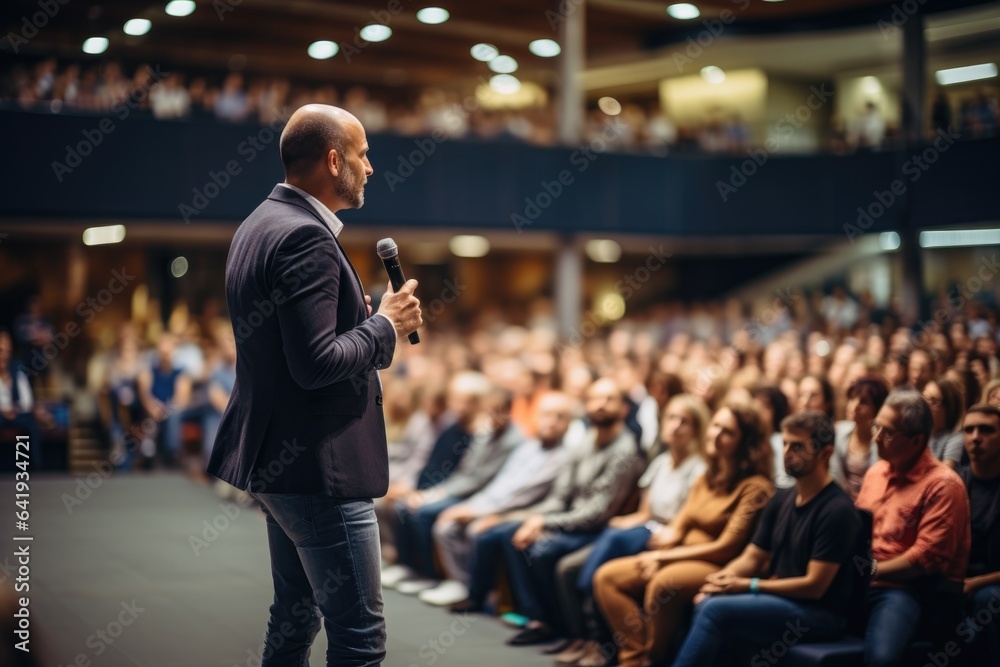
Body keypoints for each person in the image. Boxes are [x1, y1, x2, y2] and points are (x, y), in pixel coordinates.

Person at [207, 104, 423, 667]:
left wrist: (363, 322)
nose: (370, 167)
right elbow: (315, 363)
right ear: (334, 160)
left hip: (279, 456)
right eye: (362, 153)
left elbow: (292, 348)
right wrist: (386, 326)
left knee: (296, 616)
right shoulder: (306, 238)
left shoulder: (260, 222)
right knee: (359, 638)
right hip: (319, 469)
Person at [672, 412, 863, 665]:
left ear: (825, 454)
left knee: (715, 610)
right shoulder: (781, 498)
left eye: (797, 447)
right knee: (708, 600)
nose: (787, 452)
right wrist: (718, 582)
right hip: (782, 599)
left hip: (820, 613)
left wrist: (747, 585)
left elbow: (815, 586)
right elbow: (753, 556)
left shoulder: (837, 510)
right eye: (784, 444)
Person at [592, 401, 774, 667]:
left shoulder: (755, 487)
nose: (716, 435)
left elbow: (728, 547)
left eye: (728, 432)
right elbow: (682, 521)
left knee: (664, 582)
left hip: (717, 563)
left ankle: (656, 657)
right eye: (715, 426)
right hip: (682, 553)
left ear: (746, 442)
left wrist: (665, 558)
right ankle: (633, 656)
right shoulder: (707, 476)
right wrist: (666, 542)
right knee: (607, 577)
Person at [549, 394, 710, 666]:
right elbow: (645, 512)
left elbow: (685, 518)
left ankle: (599, 641)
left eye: (686, 422)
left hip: (666, 535)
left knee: (610, 547)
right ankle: (586, 635)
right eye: (672, 418)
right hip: (647, 526)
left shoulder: (699, 468)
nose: (676, 426)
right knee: (587, 553)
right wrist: (621, 521)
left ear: (696, 429)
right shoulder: (661, 462)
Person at [855, 390, 971, 667]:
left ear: (917, 440)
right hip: (861, 581)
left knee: (882, 659)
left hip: (907, 589)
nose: (876, 438)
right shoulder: (876, 472)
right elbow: (857, 531)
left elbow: (923, 561)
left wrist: (866, 569)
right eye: (876, 426)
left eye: (887, 432)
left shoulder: (943, 484)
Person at [958, 405, 1000, 666]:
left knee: (989, 599)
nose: (975, 437)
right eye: (969, 429)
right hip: (956, 579)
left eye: (986, 430)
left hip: (990, 583)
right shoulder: (954, 483)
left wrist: (974, 583)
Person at [830, 375, 889, 500]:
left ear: (877, 408)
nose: (855, 406)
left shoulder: (882, 440)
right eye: (852, 399)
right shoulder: (838, 432)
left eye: (864, 402)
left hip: (872, 503)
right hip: (841, 502)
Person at [923, 376, 966, 469]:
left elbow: (945, 475)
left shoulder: (956, 439)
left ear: (949, 408)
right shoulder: (920, 432)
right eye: (924, 398)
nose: (925, 405)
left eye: (933, 401)